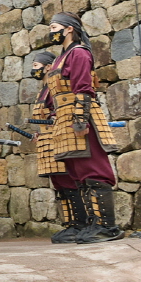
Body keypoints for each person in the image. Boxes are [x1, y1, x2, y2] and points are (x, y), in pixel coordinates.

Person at [43, 13, 122, 244]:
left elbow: (83, 88)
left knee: (93, 170)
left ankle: (106, 226)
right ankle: (90, 223)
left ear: (69, 29)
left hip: (79, 117)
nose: (51, 31)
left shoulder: (78, 53)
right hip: (65, 118)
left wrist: (80, 120)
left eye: (54, 27)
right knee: (78, 174)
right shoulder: (61, 58)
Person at [28, 51, 85, 243]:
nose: (33, 70)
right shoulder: (43, 90)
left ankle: (80, 223)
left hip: (58, 138)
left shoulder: (54, 88)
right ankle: (70, 223)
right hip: (46, 141)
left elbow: (59, 113)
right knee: (60, 185)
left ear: (47, 67)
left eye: (36, 66)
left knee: (68, 182)